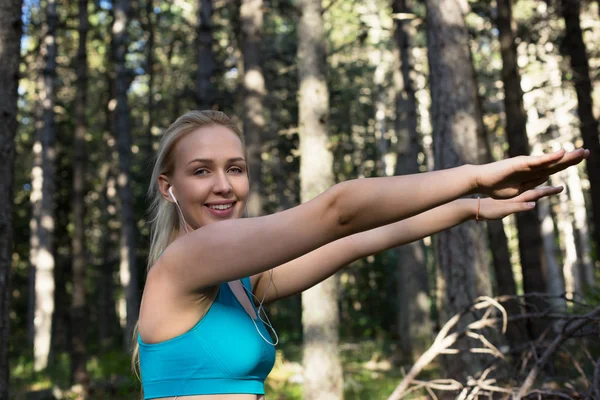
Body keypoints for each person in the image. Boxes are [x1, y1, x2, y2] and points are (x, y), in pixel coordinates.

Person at [133, 109, 589, 400]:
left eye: (235, 169)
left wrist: (469, 208)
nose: (224, 186)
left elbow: (355, 241)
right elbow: (341, 213)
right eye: (201, 171)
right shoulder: (185, 261)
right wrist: (473, 178)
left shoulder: (238, 282)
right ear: (168, 187)